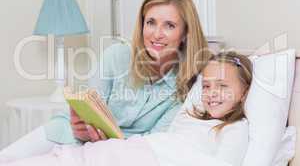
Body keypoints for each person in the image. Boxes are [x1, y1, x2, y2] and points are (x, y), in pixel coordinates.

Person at [0, 0, 210, 160]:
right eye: (150, 22)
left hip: (118, 151)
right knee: (7, 158)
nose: (156, 34)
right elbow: (89, 104)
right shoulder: (117, 55)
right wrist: (78, 126)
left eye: (169, 25)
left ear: (185, 34)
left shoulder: (186, 84)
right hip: (66, 132)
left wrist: (110, 143)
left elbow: (154, 139)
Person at [2, 51, 253, 166]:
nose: (211, 94)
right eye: (207, 86)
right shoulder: (191, 117)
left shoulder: (235, 129)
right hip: (131, 149)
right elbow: (166, 139)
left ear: (243, 93)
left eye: (222, 86)